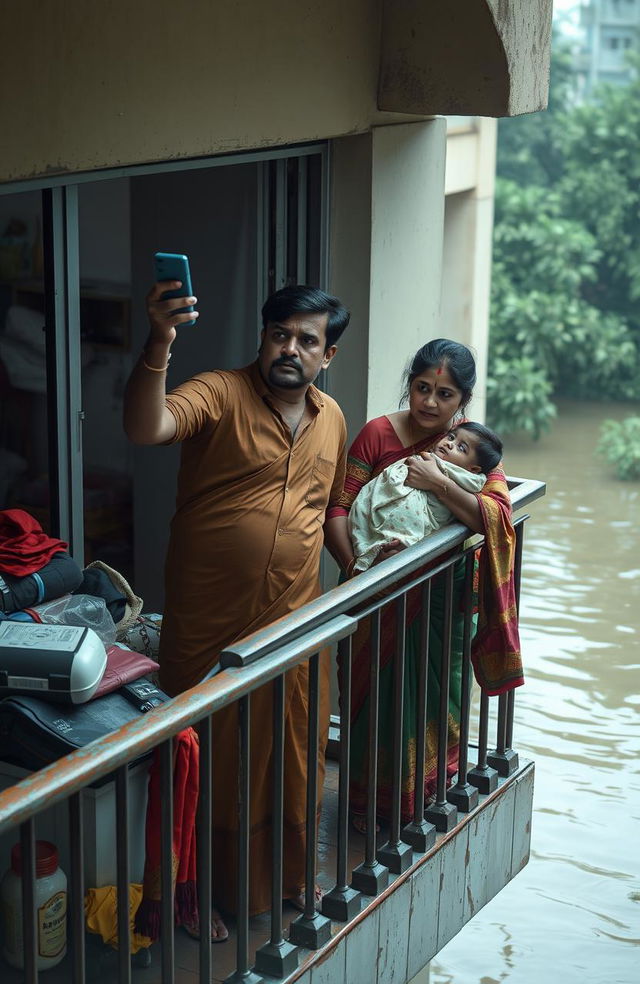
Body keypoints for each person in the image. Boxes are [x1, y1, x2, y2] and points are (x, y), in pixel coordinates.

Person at [123, 280, 350, 928]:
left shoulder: (331, 419)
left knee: (292, 756)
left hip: (296, 624)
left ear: (326, 355)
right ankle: (189, 900)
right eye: (280, 333)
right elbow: (147, 425)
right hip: (210, 624)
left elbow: (328, 504)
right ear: (262, 335)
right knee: (204, 762)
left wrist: (360, 558)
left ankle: (290, 878)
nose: (290, 348)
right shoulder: (221, 392)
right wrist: (161, 341)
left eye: (307, 340)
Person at [324, 339, 522, 831]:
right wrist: (362, 572)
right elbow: (338, 509)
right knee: (375, 703)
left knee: (438, 699)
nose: (430, 403)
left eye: (445, 394)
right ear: (409, 385)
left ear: (463, 403)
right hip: (375, 593)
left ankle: (432, 797)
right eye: (422, 388)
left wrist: (438, 482)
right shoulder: (377, 434)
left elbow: (492, 517)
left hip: (441, 603)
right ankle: (368, 813)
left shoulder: (469, 446)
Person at [348, 422, 503, 573]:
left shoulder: (477, 446)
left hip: (441, 570)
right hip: (371, 558)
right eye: (450, 437)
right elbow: (340, 502)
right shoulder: (378, 431)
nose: (450, 444)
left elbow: (493, 519)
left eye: (461, 448)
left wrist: (435, 480)